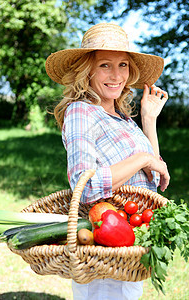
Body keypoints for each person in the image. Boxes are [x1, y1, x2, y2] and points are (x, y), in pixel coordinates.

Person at [45, 23, 170, 300]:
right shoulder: (81, 111)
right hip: (104, 240)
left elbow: (156, 178)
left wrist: (149, 120)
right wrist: (142, 158)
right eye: (105, 65)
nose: (116, 75)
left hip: (130, 237)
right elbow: (85, 187)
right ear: (87, 70)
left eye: (123, 65)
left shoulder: (124, 118)